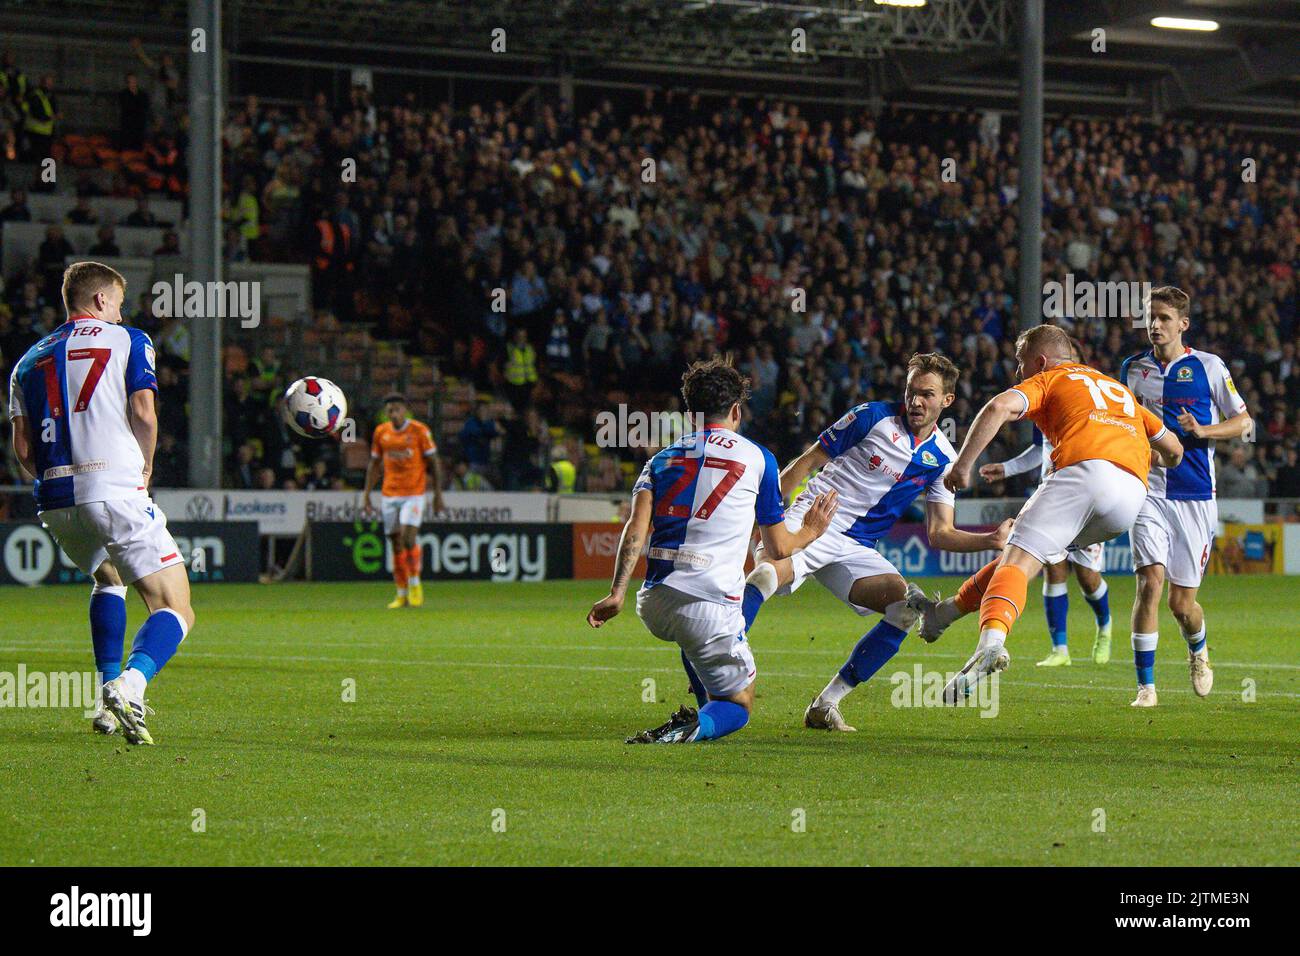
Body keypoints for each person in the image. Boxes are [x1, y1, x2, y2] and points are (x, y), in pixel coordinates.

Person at [912, 324, 1183, 704]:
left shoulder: (1050, 378)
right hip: (1128, 499)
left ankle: (989, 645)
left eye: (1021, 364)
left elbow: (998, 407)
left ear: (1039, 361)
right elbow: (1174, 450)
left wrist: (962, 465)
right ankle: (943, 615)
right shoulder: (1118, 391)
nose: (1018, 373)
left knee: (1018, 561)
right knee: (1025, 558)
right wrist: (1151, 457)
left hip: (1083, 474)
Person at [741, 352, 1011, 732]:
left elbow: (939, 533)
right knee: (768, 576)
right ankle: (721, 662)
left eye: (927, 395)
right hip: (816, 516)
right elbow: (806, 463)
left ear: (947, 400)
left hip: (856, 547)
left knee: (903, 611)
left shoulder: (943, 460)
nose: (915, 401)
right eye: (911, 391)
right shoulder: (872, 417)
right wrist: (764, 518)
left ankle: (825, 705)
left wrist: (992, 540)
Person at [586, 357, 838, 744]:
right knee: (739, 706)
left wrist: (617, 593)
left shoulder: (660, 459)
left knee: (694, 637)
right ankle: (689, 728)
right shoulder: (758, 458)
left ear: (690, 414)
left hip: (653, 602)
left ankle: (699, 708)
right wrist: (811, 530)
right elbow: (777, 548)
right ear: (737, 410)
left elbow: (636, 527)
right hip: (708, 602)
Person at [7, 261, 195, 745]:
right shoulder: (129, 339)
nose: (120, 311)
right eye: (117, 302)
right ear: (98, 301)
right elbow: (143, 412)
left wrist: (57, 480)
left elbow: (23, 451)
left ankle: (104, 703)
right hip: (113, 489)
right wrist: (145, 469)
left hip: (55, 501)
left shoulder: (26, 361)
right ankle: (130, 688)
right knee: (175, 606)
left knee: (107, 578)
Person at [1119, 286, 1251, 706]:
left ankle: (1198, 648)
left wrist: (1203, 432)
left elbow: (1243, 422)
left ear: (1183, 324)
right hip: (1147, 491)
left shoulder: (1209, 367)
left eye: (1162, 318)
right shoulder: (1132, 368)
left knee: (1182, 604)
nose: (1154, 325)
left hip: (1194, 494)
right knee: (1149, 581)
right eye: (1149, 318)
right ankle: (1146, 687)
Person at [363, 393, 444, 608]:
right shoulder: (381, 432)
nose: (394, 414)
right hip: (390, 494)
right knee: (395, 543)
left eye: (397, 409)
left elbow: (434, 463)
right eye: (390, 410)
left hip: (414, 494)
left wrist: (437, 494)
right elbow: (374, 465)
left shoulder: (419, 430)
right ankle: (401, 593)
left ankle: (415, 582)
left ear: (405, 410)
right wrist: (366, 495)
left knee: (408, 539)